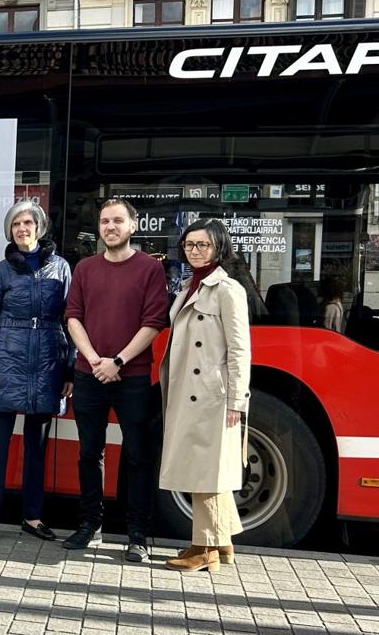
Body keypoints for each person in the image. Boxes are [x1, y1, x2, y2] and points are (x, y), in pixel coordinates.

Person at [62, 198, 168, 562]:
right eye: (105, 221)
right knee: (89, 453)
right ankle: (90, 526)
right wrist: (94, 361)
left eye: (118, 221)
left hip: (133, 377)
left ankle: (137, 534)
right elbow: (72, 317)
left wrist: (118, 360)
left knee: (138, 457)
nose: (110, 227)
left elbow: (153, 322)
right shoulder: (85, 269)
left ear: (132, 226)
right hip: (89, 374)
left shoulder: (150, 269)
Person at [0, 201, 73, 545]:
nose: (22, 228)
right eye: (16, 224)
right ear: (10, 230)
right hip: (7, 362)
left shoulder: (60, 268)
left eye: (28, 222)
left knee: (37, 449)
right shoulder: (1, 271)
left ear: (39, 227)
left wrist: (70, 369)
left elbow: (71, 322)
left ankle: (32, 516)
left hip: (46, 364)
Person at [159, 218, 251, 572]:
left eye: (203, 245)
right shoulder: (189, 286)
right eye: (189, 245)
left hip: (213, 395)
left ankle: (204, 549)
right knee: (207, 468)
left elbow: (240, 350)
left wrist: (236, 402)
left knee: (206, 471)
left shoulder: (228, 290)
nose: (194, 251)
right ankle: (223, 542)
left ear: (219, 248)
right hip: (190, 391)